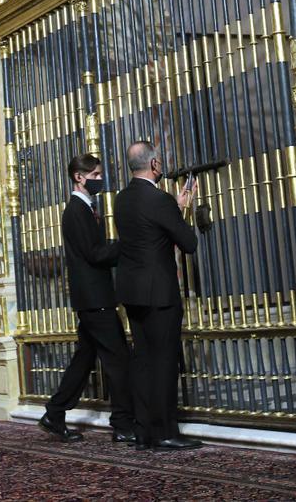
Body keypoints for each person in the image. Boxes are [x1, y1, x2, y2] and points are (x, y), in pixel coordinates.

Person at [39, 154, 137, 445]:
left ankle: (54, 414)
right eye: (94, 175)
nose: (99, 179)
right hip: (95, 301)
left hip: (94, 299)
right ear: (79, 177)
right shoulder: (75, 212)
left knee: (84, 360)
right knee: (119, 362)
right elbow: (94, 254)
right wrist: (128, 244)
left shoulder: (86, 209)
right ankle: (121, 424)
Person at [114, 141, 202, 451]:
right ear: (154, 165)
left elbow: (146, 231)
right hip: (160, 293)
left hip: (132, 292)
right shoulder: (161, 200)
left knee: (142, 361)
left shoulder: (121, 200)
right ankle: (165, 431)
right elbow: (188, 242)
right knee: (164, 362)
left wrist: (171, 210)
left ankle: (143, 430)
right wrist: (182, 210)